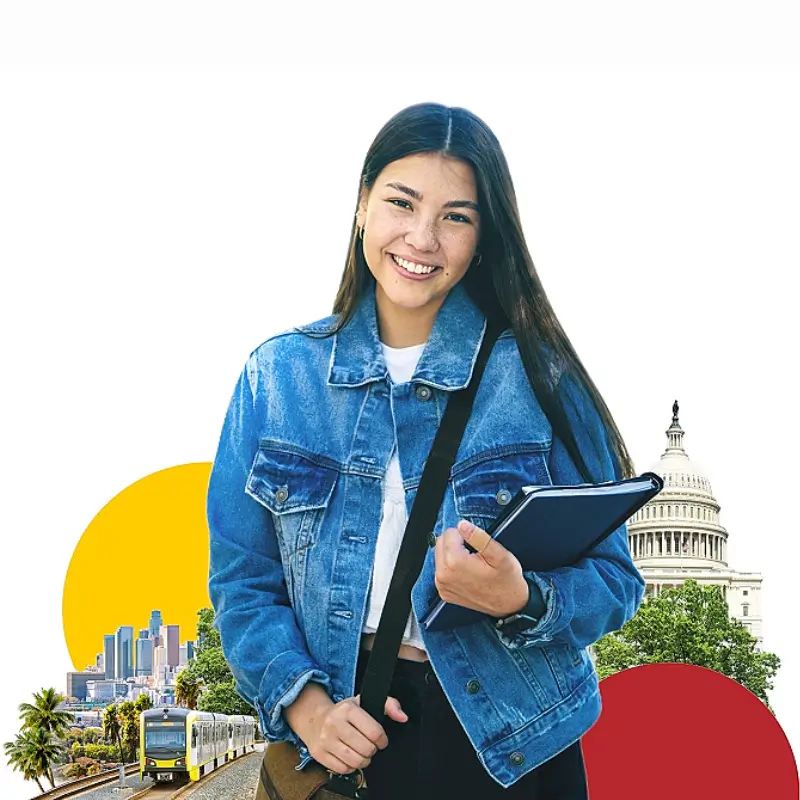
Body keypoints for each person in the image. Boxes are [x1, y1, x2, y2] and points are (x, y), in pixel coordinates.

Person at [207, 102, 645, 799]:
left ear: (483, 236)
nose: (422, 237)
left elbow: (618, 582)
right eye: (401, 203)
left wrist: (523, 597)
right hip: (351, 734)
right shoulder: (276, 378)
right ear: (361, 205)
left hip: (511, 744)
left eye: (456, 216)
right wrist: (306, 706)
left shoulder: (541, 379)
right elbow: (243, 582)